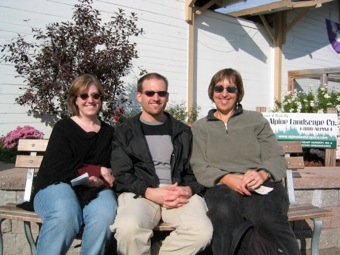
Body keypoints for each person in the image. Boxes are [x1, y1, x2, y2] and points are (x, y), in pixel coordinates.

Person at [190, 68, 301, 255]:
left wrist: (262, 173)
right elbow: (199, 164)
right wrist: (226, 178)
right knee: (223, 214)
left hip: (260, 183)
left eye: (231, 89)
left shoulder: (255, 120)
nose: (224, 94)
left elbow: (275, 156)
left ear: (238, 93)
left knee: (267, 218)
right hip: (221, 185)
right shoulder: (201, 127)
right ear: (212, 92)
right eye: (219, 88)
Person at [110, 72, 213, 255]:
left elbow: (196, 170)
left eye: (161, 93)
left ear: (167, 96)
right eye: (150, 93)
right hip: (141, 192)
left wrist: (188, 189)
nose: (156, 98)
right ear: (139, 96)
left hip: (178, 191)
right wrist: (150, 192)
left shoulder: (183, 132)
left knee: (201, 232)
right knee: (128, 229)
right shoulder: (125, 132)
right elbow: (122, 174)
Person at [33, 74, 117, 255]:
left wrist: (103, 180)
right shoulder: (63, 128)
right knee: (65, 215)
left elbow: (114, 167)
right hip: (57, 184)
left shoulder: (109, 132)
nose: (90, 100)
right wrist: (96, 169)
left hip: (95, 190)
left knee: (105, 214)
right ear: (75, 100)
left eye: (96, 96)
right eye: (84, 96)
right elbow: (59, 166)